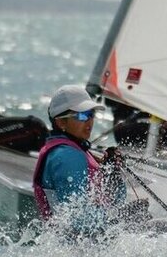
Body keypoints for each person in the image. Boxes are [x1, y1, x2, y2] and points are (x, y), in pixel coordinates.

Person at [33, 85, 150, 239]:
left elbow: (112, 202)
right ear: (61, 123)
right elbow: (76, 219)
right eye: (81, 116)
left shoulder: (75, 150)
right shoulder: (66, 156)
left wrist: (112, 173)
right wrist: (123, 216)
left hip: (87, 242)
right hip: (79, 247)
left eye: (91, 114)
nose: (89, 121)